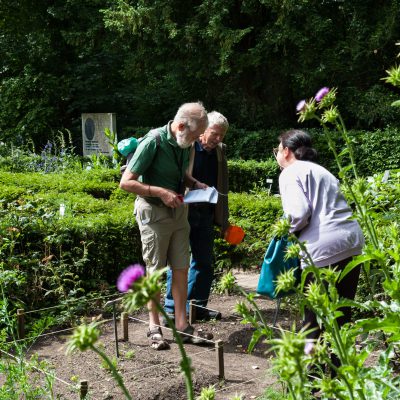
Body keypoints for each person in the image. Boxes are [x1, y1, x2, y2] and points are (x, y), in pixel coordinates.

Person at [120, 102, 213, 350]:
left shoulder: (187, 143)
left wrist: (194, 183)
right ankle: (154, 328)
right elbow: (126, 182)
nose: (197, 141)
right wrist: (160, 192)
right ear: (180, 126)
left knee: (181, 268)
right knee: (156, 272)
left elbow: (183, 175)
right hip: (154, 213)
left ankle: (182, 326)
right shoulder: (153, 142)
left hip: (179, 212)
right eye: (195, 136)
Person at [274, 129, 364, 359]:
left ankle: (312, 380)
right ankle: (341, 379)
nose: (276, 154)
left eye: (277, 149)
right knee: (342, 313)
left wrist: (284, 231)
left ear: (286, 151)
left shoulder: (289, 172)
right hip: (351, 240)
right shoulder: (322, 170)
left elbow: (298, 213)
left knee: (313, 318)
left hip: (322, 247)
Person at [163, 111, 229, 322]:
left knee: (204, 261)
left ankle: (196, 307)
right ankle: (172, 308)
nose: (218, 139)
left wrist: (223, 218)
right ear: (203, 131)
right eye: (215, 134)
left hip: (206, 212)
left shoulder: (219, 151)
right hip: (185, 211)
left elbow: (223, 185)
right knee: (179, 261)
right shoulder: (187, 146)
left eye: (222, 136)